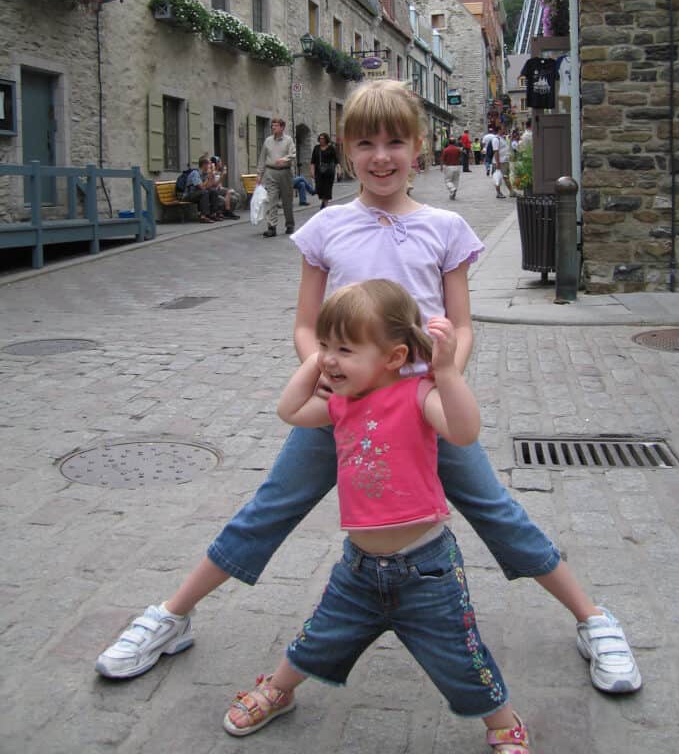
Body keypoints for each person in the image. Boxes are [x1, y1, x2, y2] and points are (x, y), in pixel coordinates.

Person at [95, 79, 641, 697]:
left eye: (394, 142)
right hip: (343, 407)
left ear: (417, 148)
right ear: (347, 151)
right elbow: (307, 323)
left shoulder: (445, 228)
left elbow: (460, 323)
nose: (380, 156)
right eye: (365, 143)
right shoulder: (328, 227)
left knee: (495, 509)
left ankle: (593, 619)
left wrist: (445, 371)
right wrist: (327, 375)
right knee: (270, 508)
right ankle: (171, 615)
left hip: (419, 408)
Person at [223, 281, 530, 753]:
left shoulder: (419, 394)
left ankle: (504, 722)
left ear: (392, 357)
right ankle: (279, 688)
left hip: (427, 569)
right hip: (359, 568)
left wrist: (446, 371)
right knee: (319, 636)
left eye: (344, 348)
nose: (330, 359)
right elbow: (289, 410)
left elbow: (465, 432)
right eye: (327, 345)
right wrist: (316, 360)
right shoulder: (339, 404)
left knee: (459, 655)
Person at [255, 117, 296, 237]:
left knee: (287, 201)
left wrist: (285, 159)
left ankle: (289, 224)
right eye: (272, 126)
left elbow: (293, 154)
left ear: (282, 127)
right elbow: (262, 158)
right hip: (271, 173)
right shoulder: (267, 141)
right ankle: (271, 227)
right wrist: (259, 174)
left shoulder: (288, 140)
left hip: (285, 173)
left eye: (276, 125)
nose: (273, 127)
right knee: (271, 200)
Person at [184, 155, 222, 223]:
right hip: (189, 195)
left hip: (198, 193)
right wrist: (208, 177)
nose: (210, 165)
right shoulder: (195, 173)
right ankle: (203, 216)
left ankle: (213, 214)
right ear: (204, 164)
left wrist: (212, 175)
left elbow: (210, 186)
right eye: (209, 163)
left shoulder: (205, 174)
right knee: (204, 192)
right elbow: (202, 187)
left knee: (213, 191)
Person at [309, 132, 338, 210]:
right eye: (320, 138)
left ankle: (325, 206)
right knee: (319, 188)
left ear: (326, 139)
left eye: (323, 138)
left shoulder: (331, 148)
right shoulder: (316, 148)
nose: (321, 140)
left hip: (329, 172)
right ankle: (323, 200)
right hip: (319, 172)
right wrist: (312, 170)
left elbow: (336, 160)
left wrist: (339, 170)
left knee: (327, 189)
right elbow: (313, 161)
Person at [494, 128, 514, 200]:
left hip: (505, 160)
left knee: (506, 177)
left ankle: (511, 191)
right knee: (498, 177)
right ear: (499, 130)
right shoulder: (496, 139)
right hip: (501, 161)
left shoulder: (502, 138)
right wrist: (497, 162)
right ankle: (499, 192)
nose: (504, 130)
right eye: (502, 129)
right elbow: (496, 151)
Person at [440, 136, 462, 200]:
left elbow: (443, 159)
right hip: (457, 166)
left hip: (449, 166)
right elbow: (460, 157)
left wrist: (441, 166)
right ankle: (452, 193)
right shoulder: (458, 149)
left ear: (448, 142)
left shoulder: (446, 150)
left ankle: (452, 189)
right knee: (456, 181)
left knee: (448, 181)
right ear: (455, 142)